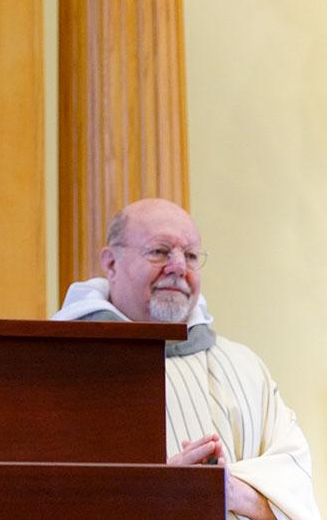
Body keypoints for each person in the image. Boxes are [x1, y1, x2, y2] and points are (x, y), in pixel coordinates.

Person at [53, 198, 319, 520]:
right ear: (110, 264)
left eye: (190, 256)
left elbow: (297, 487)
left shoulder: (246, 369)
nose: (178, 267)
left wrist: (231, 490)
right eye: (159, 251)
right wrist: (158, 490)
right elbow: (39, 494)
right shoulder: (55, 366)